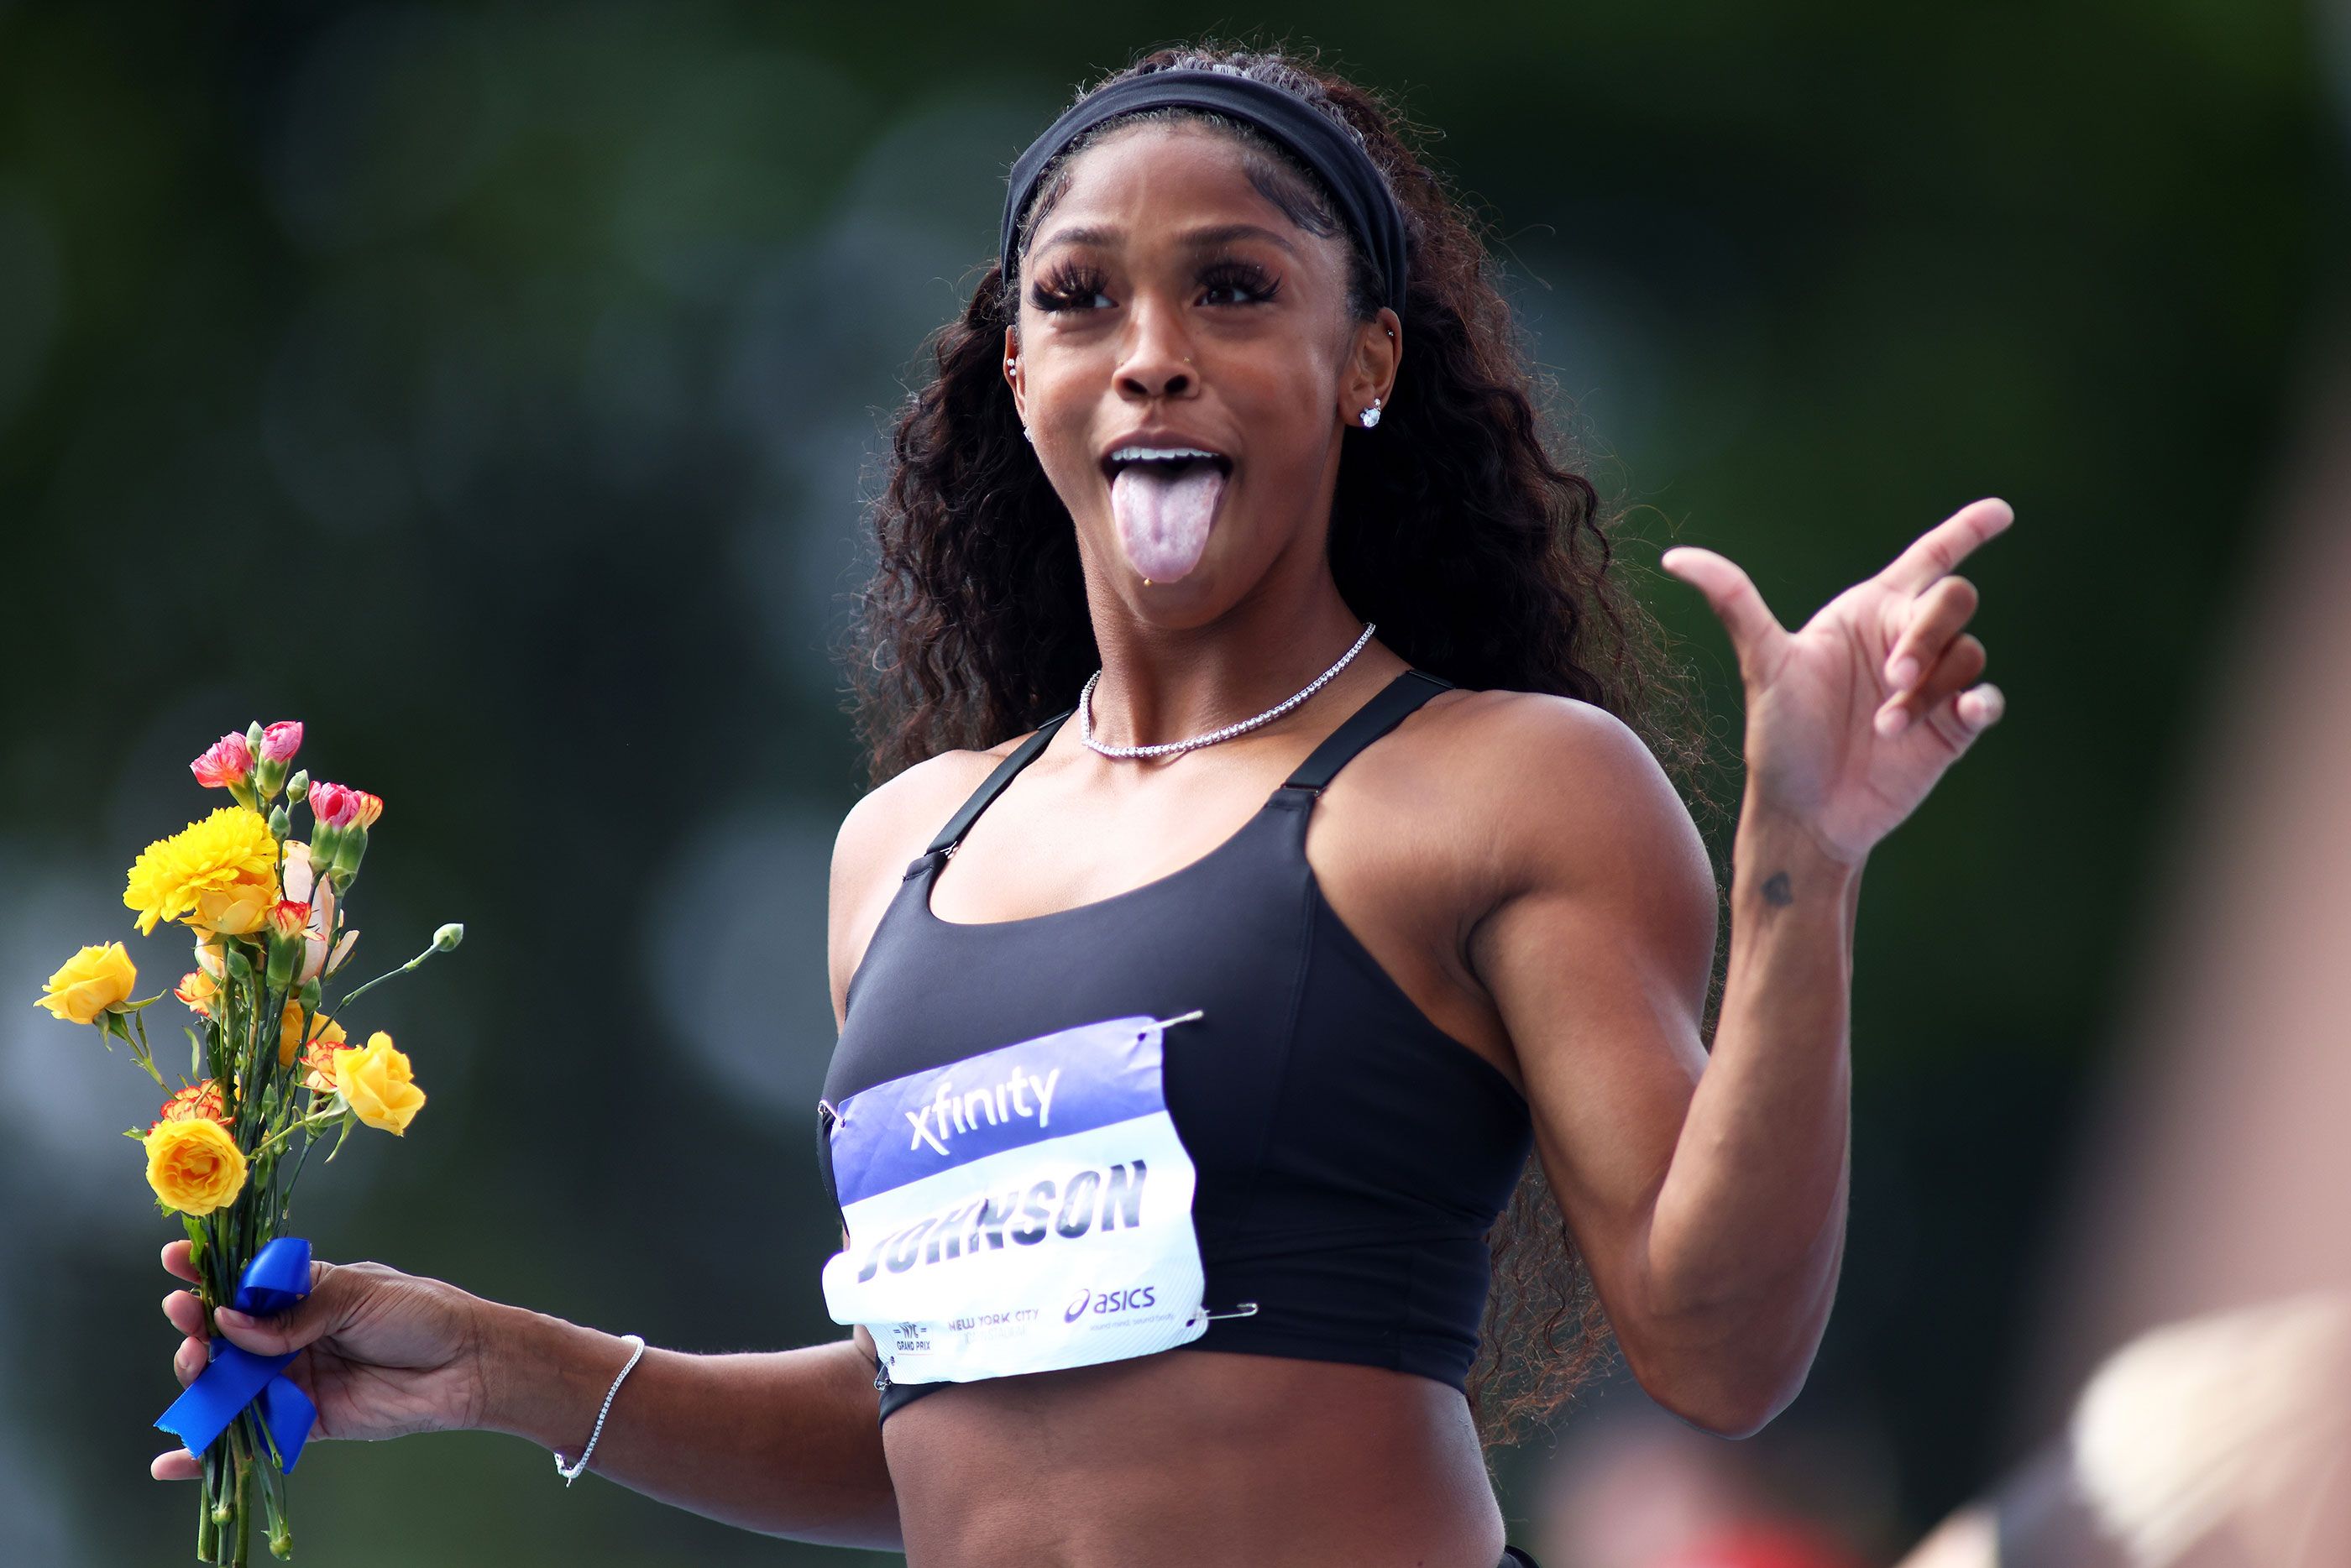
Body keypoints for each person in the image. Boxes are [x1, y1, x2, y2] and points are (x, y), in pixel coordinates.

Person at [149, 44, 2009, 1568]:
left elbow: (1716, 1347)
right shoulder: (902, 848)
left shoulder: (1502, 783)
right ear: (1018, 369)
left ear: (1365, 362)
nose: (1148, 349)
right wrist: (500, 1364)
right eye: (1078, 296)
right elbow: (939, 1420)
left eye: (1233, 286)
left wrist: (1803, 860)